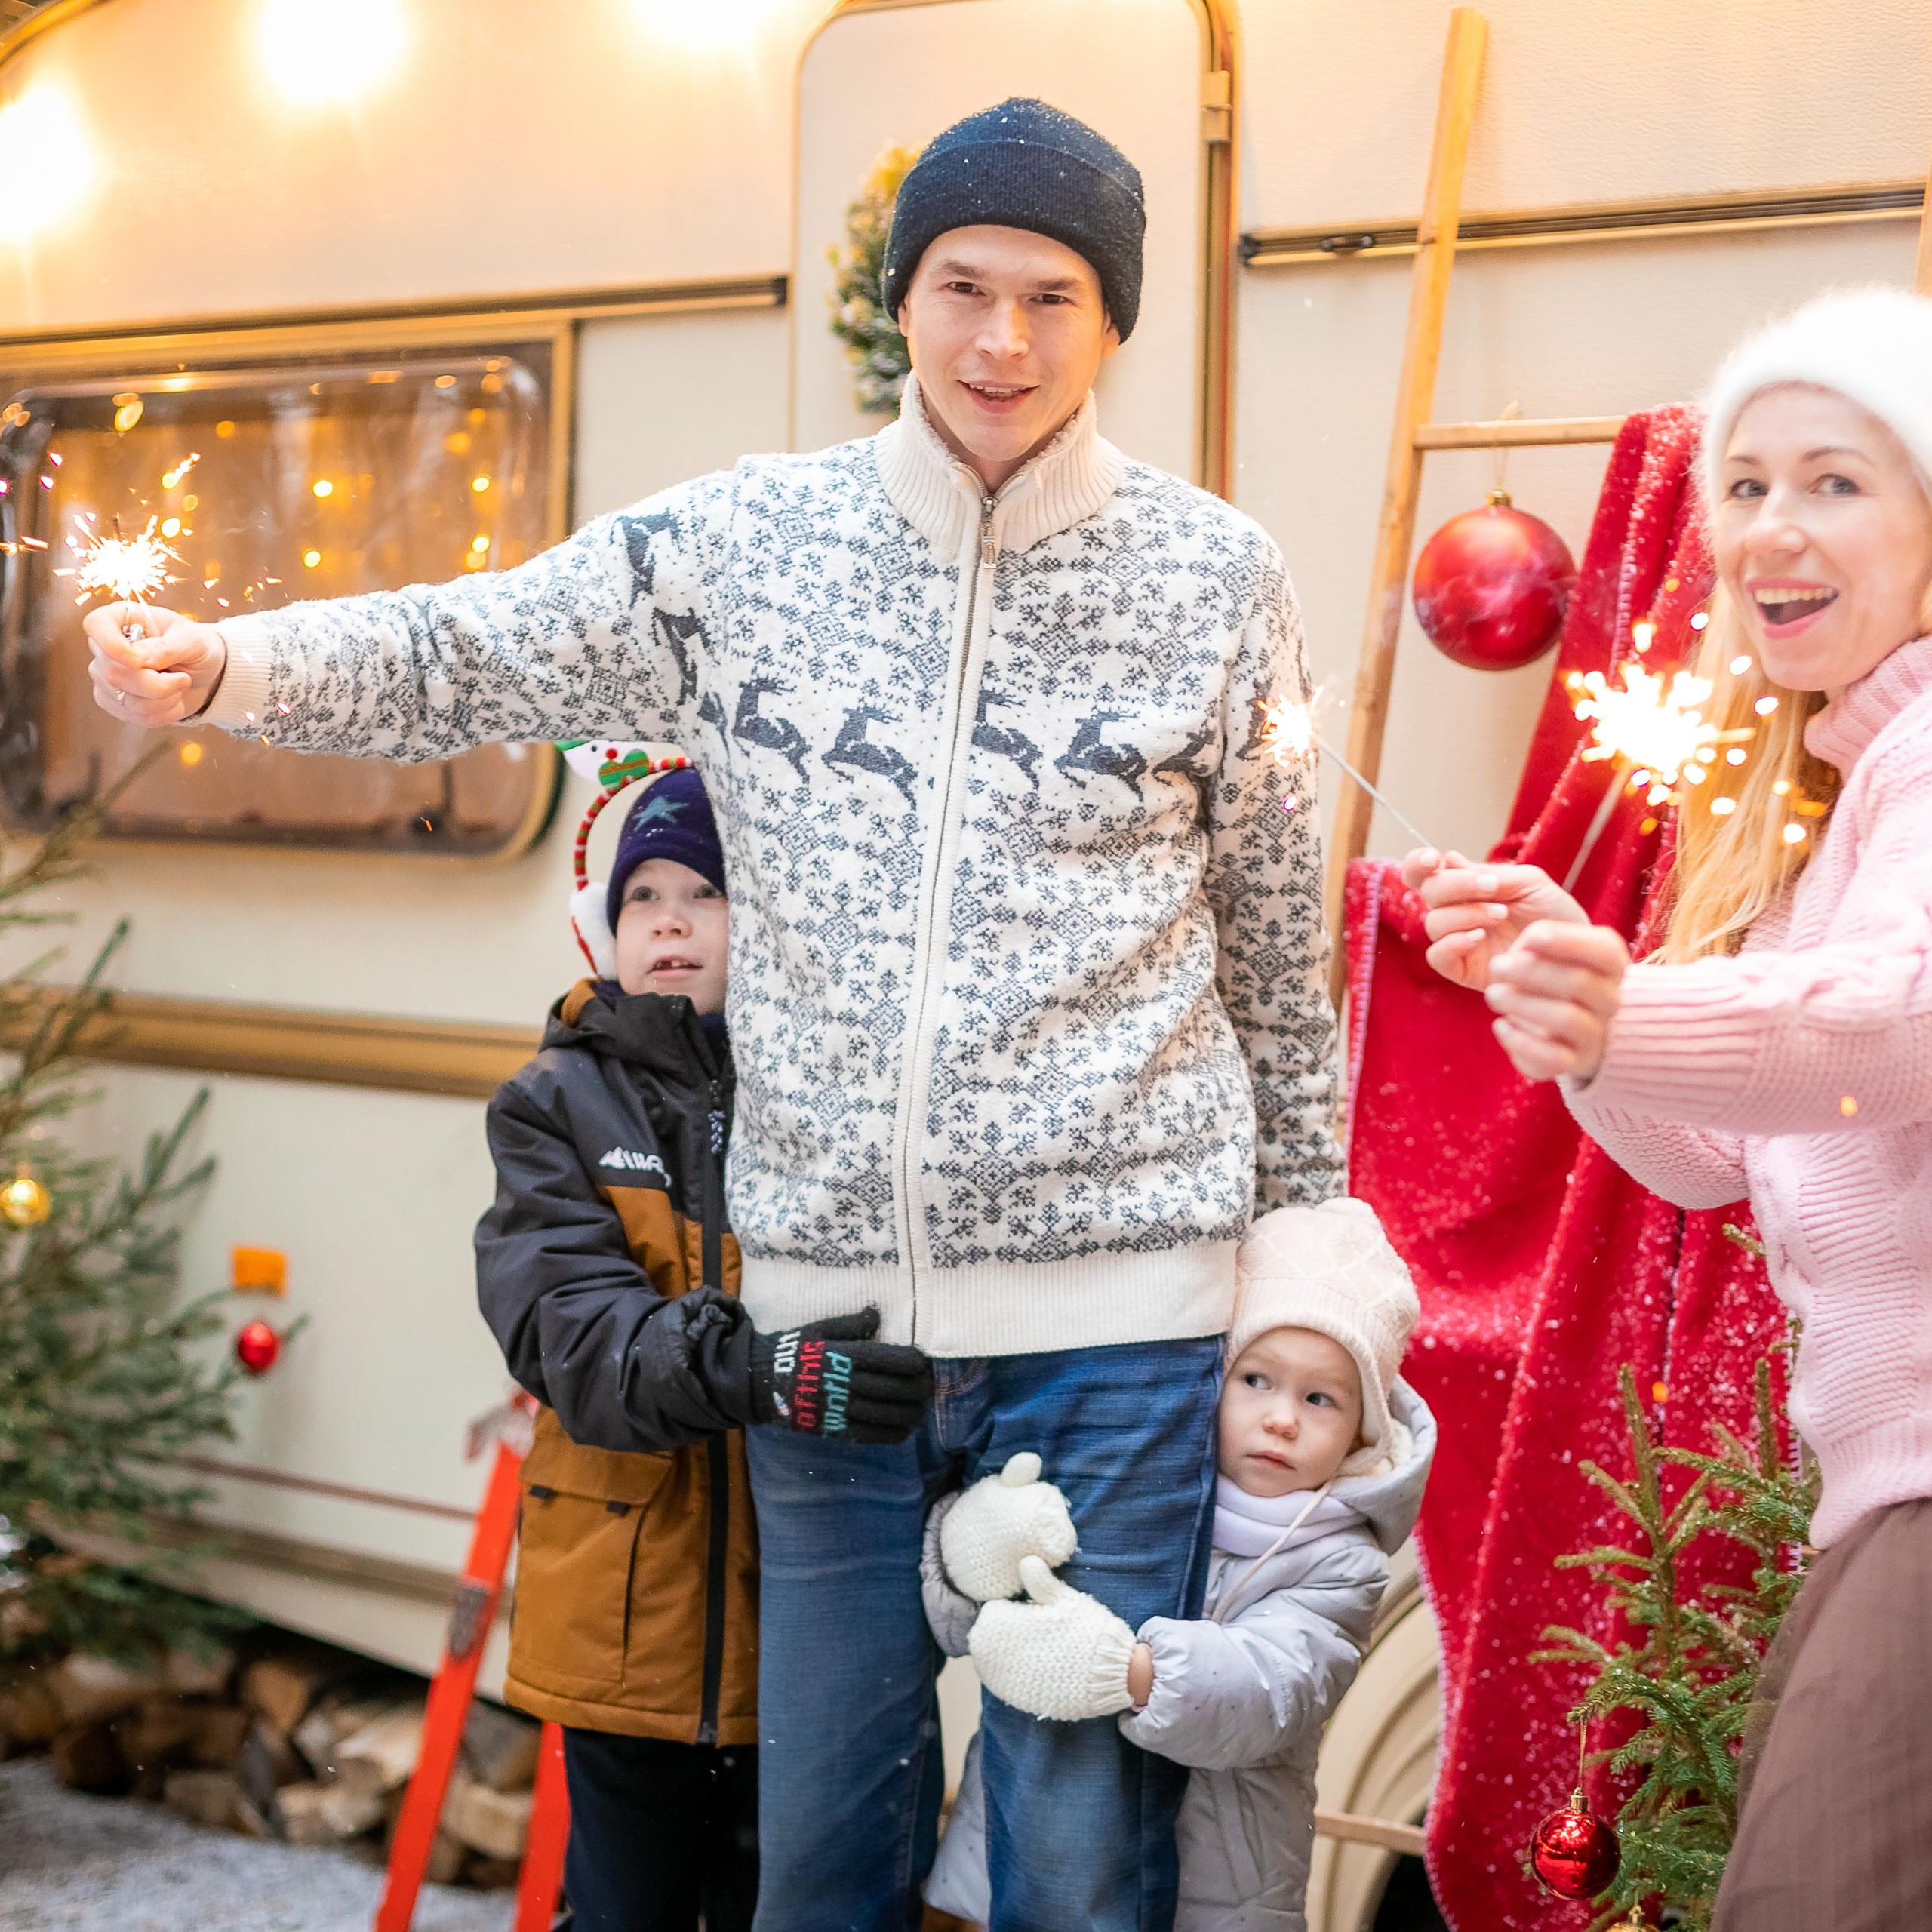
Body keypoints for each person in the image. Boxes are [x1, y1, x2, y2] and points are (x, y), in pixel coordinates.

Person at [85, 97, 1343, 1929]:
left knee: (1078, 1854)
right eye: (963, 287)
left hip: (1114, 1328)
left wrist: (1304, 1252)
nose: (1001, 340)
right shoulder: (751, 545)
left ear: (1110, 322)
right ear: (903, 302)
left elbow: (1271, 943)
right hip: (819, 1318)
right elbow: (476, 644)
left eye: (1051, 298)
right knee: (816, 1854)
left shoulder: (1212, 578)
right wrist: (234, 664)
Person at [1402, 284, 1932, 1932]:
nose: (1770, 526)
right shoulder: (1853, 785)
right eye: (1746, 483)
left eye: (1834, 480)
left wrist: (1620, 1001)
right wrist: (1573, 1024)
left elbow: (1896, 1021)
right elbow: (1717, 1156)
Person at [474, 766, 931, 1932]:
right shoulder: (557, 1103)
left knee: (783, 1901)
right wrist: (752, 1370)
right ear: (606, 927)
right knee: (626, 1910)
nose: (669, 920)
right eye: (643, 899)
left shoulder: (834, 1094)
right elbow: (569, 1335)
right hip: (629, 1615)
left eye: (706, 894)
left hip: (807, 1612)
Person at [919, 1199, 1435, 1932]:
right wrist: (973, 1553)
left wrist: (1133, 1672)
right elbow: (977, 1627)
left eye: (1319, 1398)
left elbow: (1274, 1688)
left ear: (1360, 1430)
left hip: (1212, 1884)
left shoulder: (1339, 1558)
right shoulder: (1135, 1481)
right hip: (1040, 1830)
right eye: (1255, 1379)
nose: (1282, 1416)